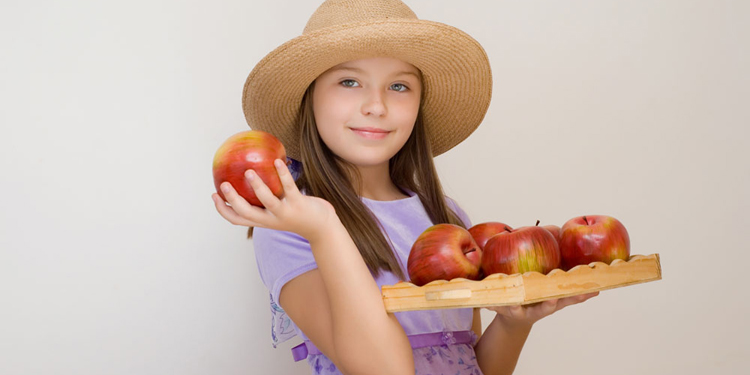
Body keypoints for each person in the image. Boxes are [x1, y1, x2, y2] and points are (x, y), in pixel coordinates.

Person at [212, 1, 597, 374]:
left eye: (399, 86)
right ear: (309, 98)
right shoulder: (293, 227)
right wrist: (325, 228)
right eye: (349, 81)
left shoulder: (445, 217)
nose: (376, 106)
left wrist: (515, 324)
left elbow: (469, 364)